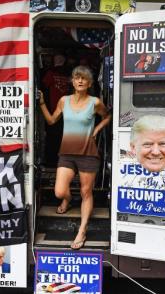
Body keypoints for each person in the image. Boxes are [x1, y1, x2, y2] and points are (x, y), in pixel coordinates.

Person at [38, 66, 111, 250]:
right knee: (59, 191)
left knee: (86, 192)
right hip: (67, 153)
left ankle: (82, 230)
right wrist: (42, 103)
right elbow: (52, 121)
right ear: (72, 81)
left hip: (88, 153)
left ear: (89, 83)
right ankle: (67, 199)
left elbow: (107, 116)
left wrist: (96, 129)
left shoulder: (95, 102)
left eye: (84, 79)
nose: (80, 81)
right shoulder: (64, 100)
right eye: (77, 78)